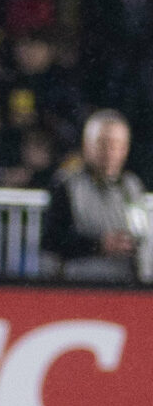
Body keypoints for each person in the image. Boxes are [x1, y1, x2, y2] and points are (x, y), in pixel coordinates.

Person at [44, 111, 146, 282]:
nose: (110, 152)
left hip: (125, 285)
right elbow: (52, 240)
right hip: (80, 284)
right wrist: (98, 245)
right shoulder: (66, 184)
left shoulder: (132, 186)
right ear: (87, 145)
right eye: (103, 144)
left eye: (117, 145)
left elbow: (140, 233)